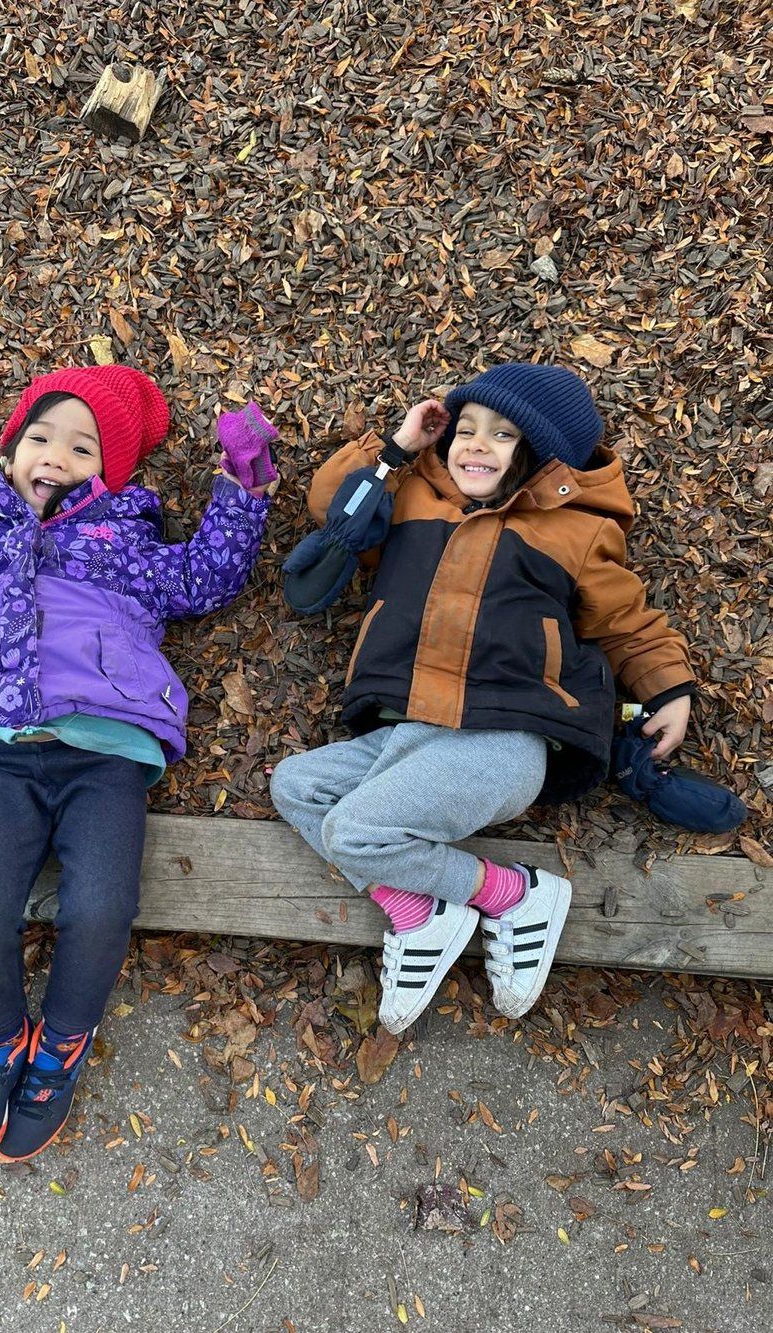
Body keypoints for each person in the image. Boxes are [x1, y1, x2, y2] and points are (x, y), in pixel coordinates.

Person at [0, 365, 278, 1168]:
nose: (55, 456)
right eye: (40, 438)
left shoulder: (124, 538)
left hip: (105, 755)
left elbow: (206, 576)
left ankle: (64, 1040)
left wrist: (241, 482)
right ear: (9, 452)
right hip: (2, 760)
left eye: (81, 448)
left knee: (101, 910)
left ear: (109, 475)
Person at [271, 363, 693, 1034]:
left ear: (538, 456)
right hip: (410, 730)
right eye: (465, 430)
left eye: (500, 436)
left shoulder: (575, 531)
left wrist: (667, 685)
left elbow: (622, 619)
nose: (474, 445)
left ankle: (517, 896)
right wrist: (398, 447)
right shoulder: (414, 497)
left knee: (354, 830)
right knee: (295, 786)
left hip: (505, 736)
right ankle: (422, 911)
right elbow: (331, 503)